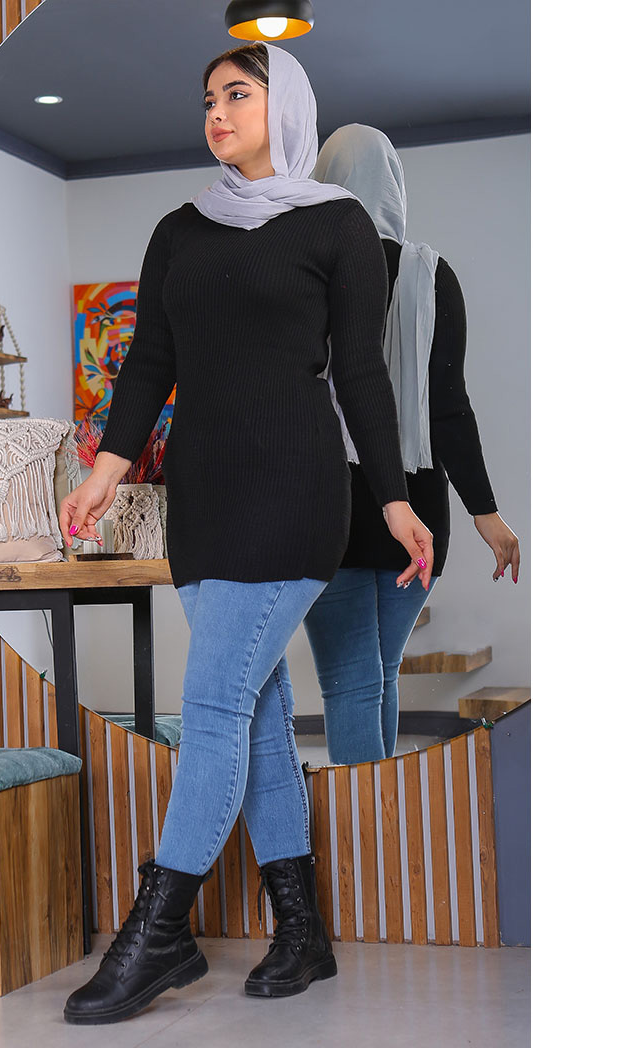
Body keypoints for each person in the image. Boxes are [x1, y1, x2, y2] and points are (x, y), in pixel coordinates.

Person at [57, 44, 433, 1025]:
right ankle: (302, 934)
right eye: (208, 99)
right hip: (206, 498)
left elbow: (361, 375)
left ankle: (161, 932)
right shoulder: (180, 230)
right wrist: (104, 473)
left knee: (214, 703)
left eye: (238, 93)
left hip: (296, 489)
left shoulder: (337, 225)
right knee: (258, 714)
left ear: (286, 106)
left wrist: (393, 502)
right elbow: (148, 363)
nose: (216, 111)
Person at [302, 124, 521, 766]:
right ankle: (379, 813)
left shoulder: (309, 267)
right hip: (418, 507)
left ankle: (359, 819)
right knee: (381, 673)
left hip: (330, 499)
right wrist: (486, 512)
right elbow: (448, 406)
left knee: (351, 681)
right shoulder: (432, 275)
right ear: (394, 185)